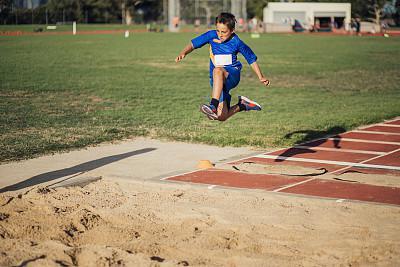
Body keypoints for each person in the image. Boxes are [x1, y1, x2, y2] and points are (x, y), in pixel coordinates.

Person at [175, 12, 270, 121]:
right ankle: (243, 105)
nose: (220, 34)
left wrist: (261, 77)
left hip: (232, 75)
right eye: (218, 30)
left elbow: (251, 59)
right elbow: (193, 44)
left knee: (218, 70)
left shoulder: (237, 42)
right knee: (221, 116)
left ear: (232, 31)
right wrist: (184, 53)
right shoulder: (211, 35)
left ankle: (213, 105)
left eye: (224, 32)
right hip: (217, 81)